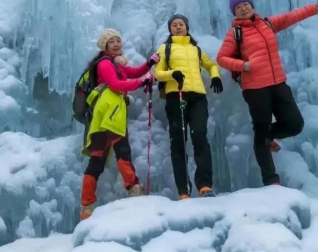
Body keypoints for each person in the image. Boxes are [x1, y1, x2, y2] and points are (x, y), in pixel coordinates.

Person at [217, 0, 318, 187]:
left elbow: (292, 16)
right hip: (255, 88)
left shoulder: (267, 24)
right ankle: (271, 180)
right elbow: (222, 58)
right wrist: (244, 66)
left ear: (252, 6)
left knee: (295, 124)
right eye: (238, 7)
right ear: (234, 12)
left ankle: (269, 135)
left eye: (246, 4)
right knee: (260, 131)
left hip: (278, 83)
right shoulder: (235, 33)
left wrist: (316, 8)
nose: (243, 8)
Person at [80, 29, 159, 221]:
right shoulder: (106, 64)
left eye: (118, 41)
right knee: (123, 150)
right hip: (110, 113)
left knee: (97, 160)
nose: (116, 44)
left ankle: (86, 208)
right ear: (104, 46)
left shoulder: (115, 64)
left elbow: (133, 72)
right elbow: (115, 85)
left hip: (103, 117)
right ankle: (134, 188)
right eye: (111, 41)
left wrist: (149, 65)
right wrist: (142, 82)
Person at [153, 14, 223, 199]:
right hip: (176, 96)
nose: (178, 27)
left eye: (181, 24)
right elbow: (157, 73)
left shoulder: (196, 50)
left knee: (200, 137)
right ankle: (183, 190)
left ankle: (205, 185)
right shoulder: (165, 48)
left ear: (187, 27)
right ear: (170, 29)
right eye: (174, 25)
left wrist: (215, 75)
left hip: (198, 96)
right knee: (178, 142)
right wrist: (172, 74)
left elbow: (211, 65)